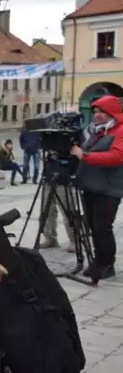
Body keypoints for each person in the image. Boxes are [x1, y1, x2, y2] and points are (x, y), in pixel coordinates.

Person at [71, 95, 123, 279]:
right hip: (91, 186)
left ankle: (107, 264)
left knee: (103, 227)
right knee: (93, 226)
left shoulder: (120, 131)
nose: (97, 115)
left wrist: (85, 156)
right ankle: (98, 260)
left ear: (112, 112)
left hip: (108, 189)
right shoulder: (96, 131)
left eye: (101, 111)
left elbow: (117, 157)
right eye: (95, 111)